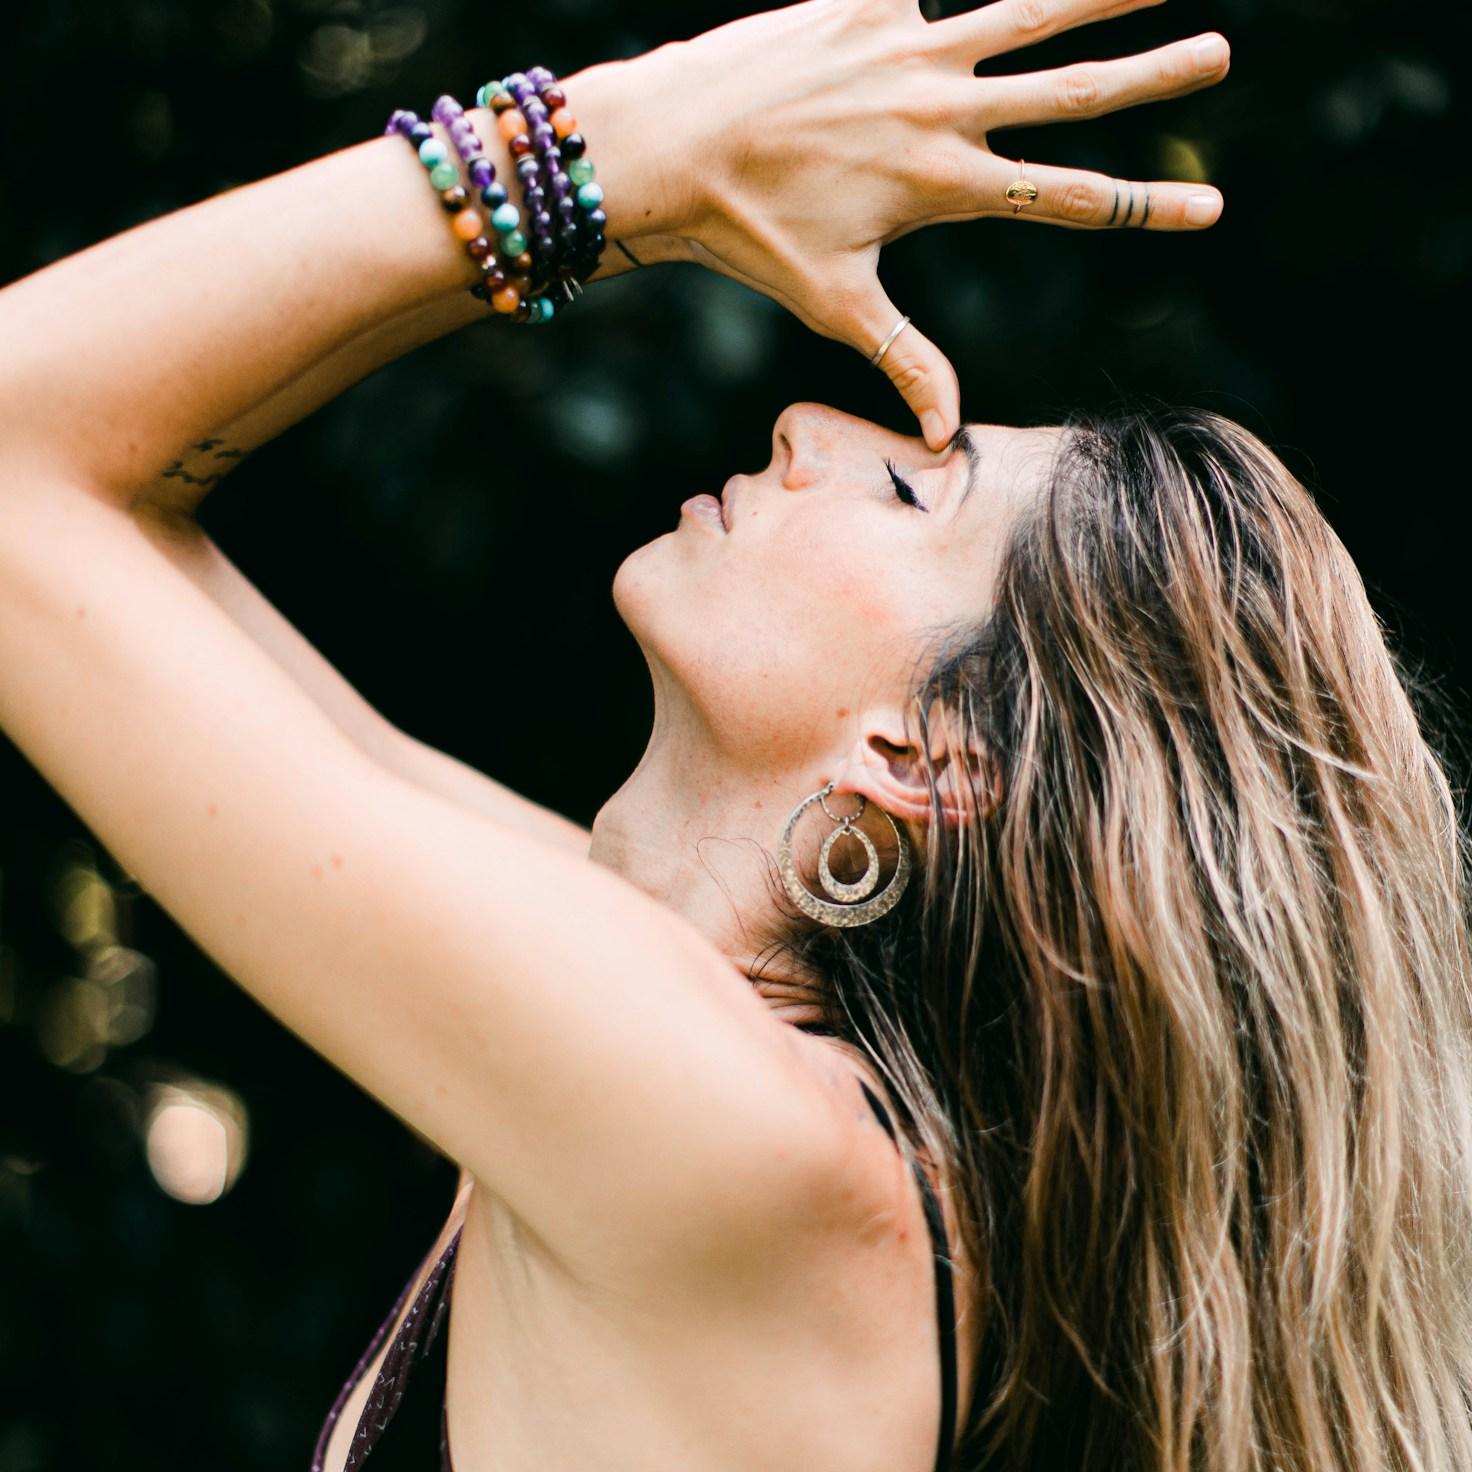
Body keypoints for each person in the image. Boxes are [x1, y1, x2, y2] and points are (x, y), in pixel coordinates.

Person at [2, 1, 1471, 1469]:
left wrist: (636, 146)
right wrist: (649, 193)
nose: (809, 428)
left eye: (912, 494)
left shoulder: (742, 1140)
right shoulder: (705, 1061)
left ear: (932, 758)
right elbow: (102, 489)